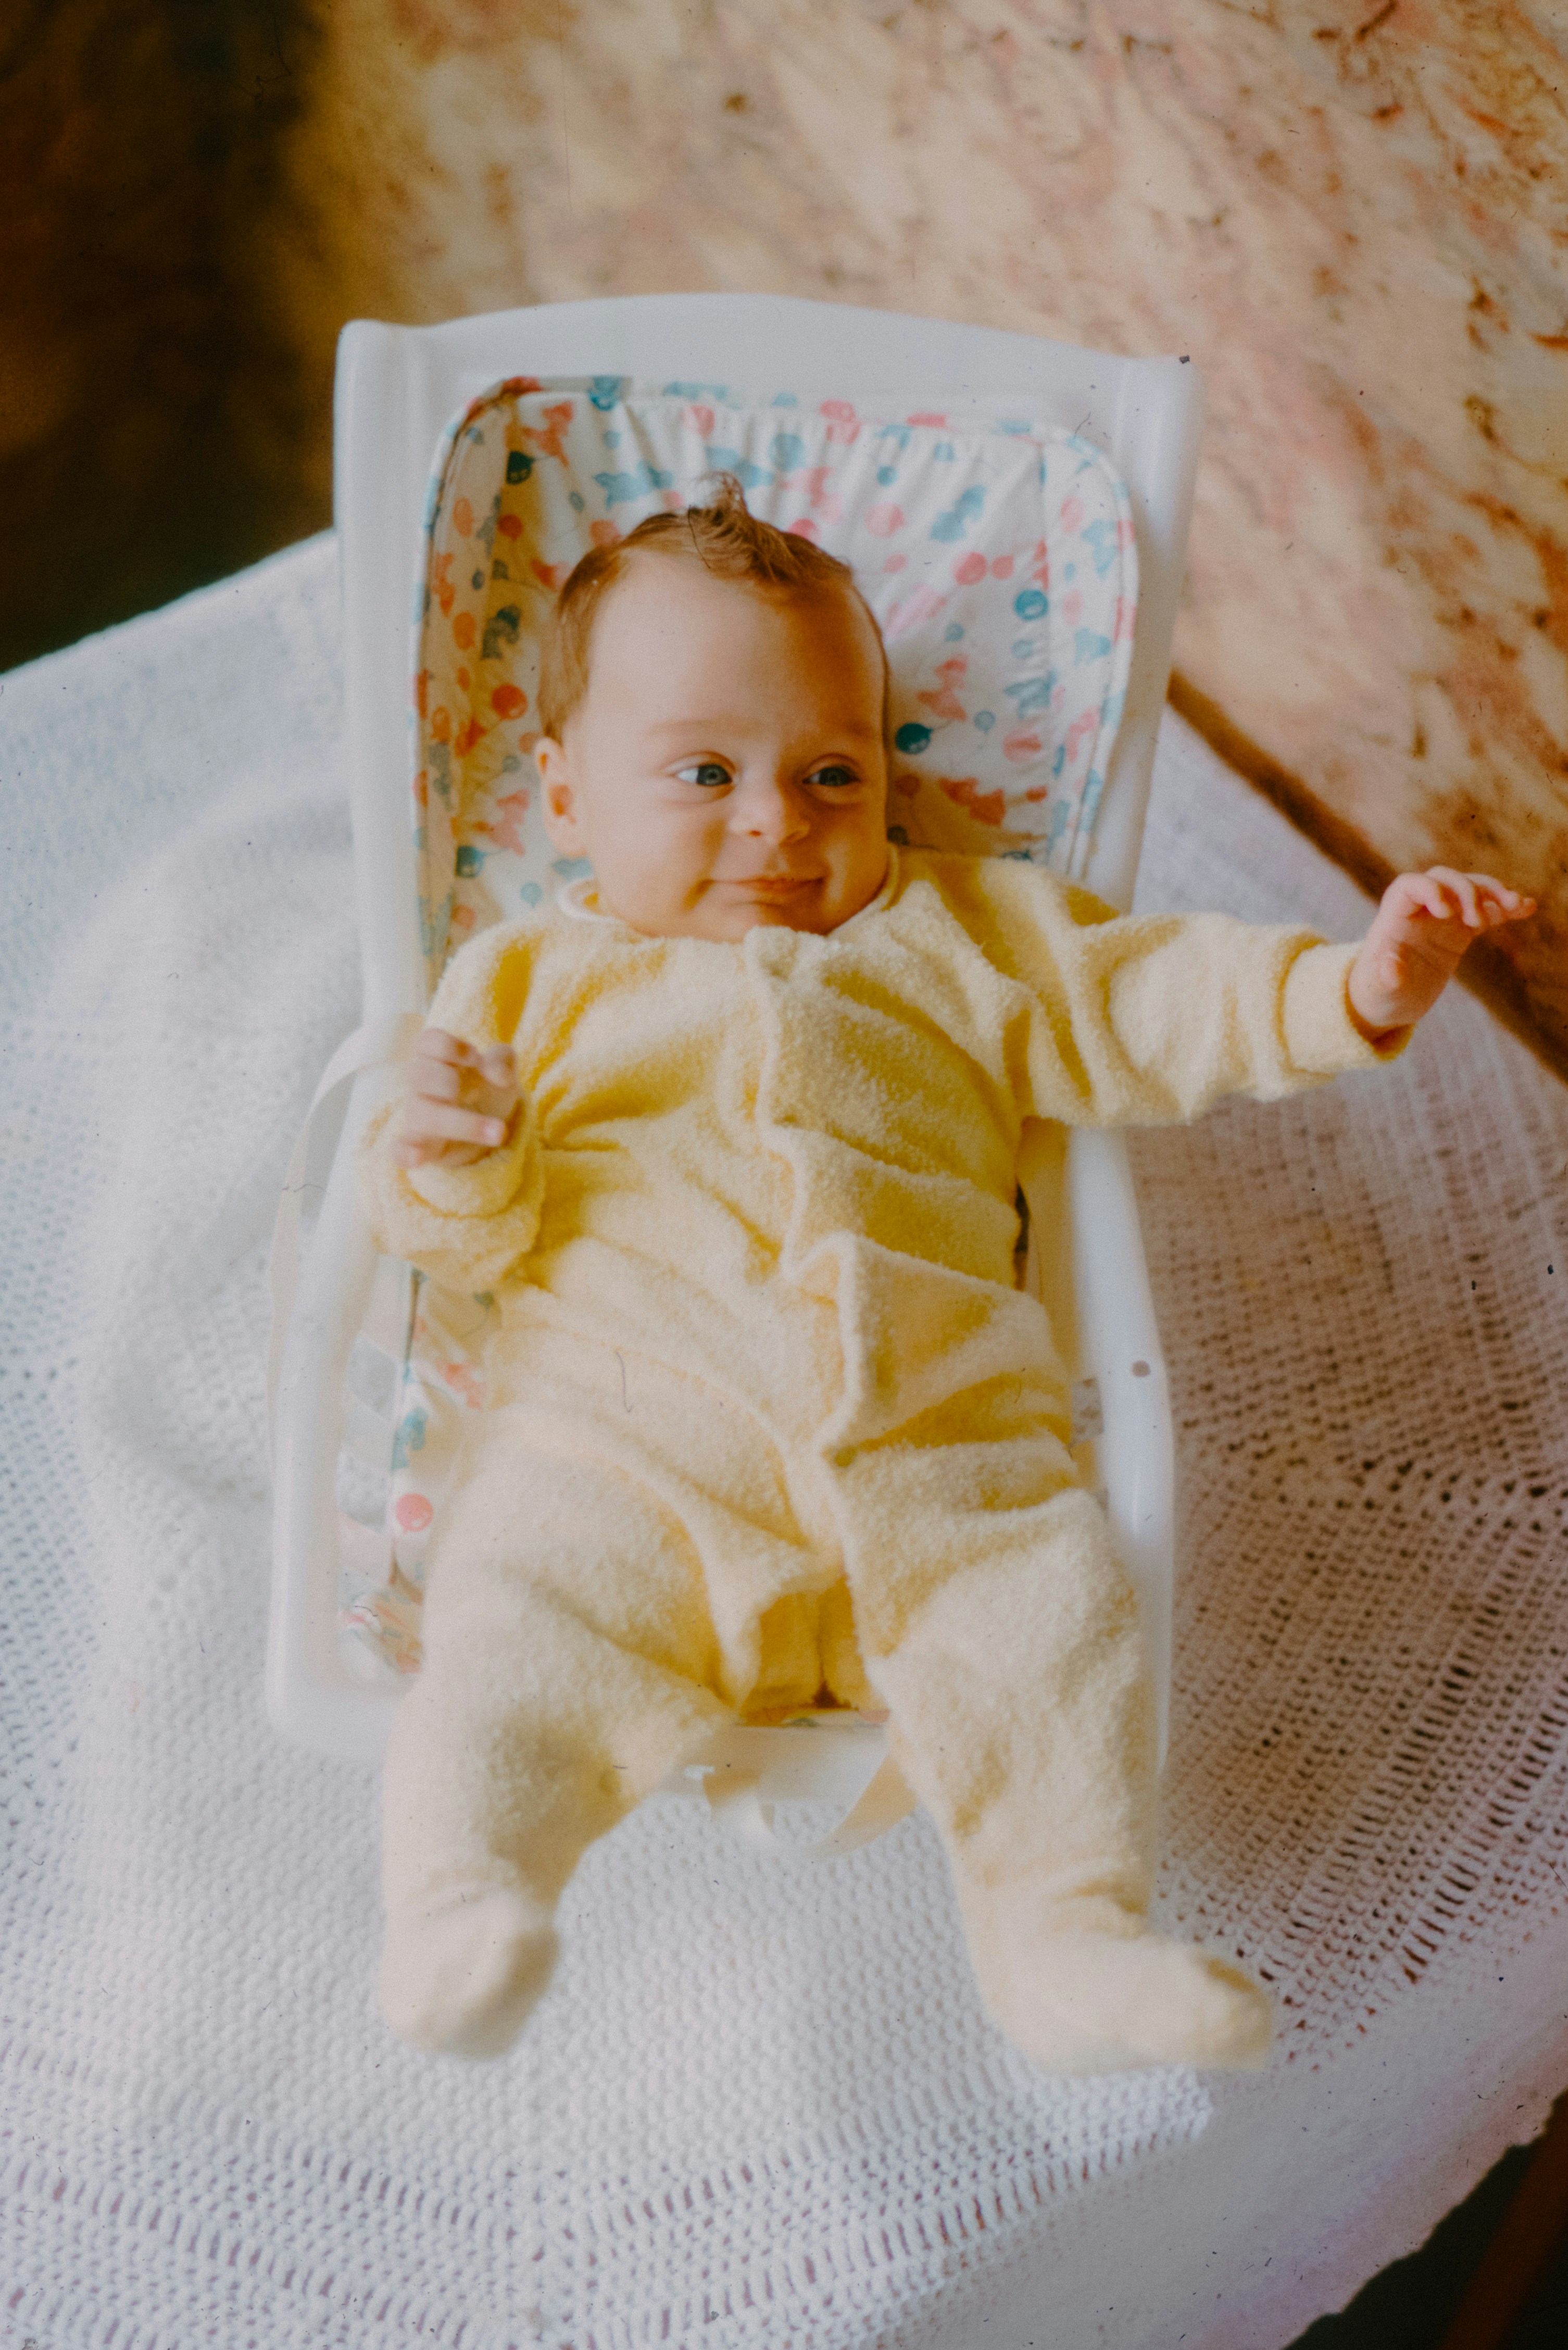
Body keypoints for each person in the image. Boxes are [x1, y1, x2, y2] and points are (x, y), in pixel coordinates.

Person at [359, 480, 1534, 2068]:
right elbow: (462, 1239)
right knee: (518, 1623)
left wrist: (1349, 985)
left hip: (942, 1438)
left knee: (1050, 1629)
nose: (777, 820)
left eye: (831, 771)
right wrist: (446, 1153)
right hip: (631, 1440)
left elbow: (1151, 996)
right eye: (704, 772)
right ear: (562, 791)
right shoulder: (526, 977)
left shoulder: (966, 933)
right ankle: (461, 1899)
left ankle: (1065, 1938)